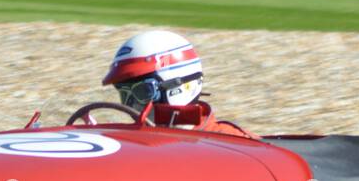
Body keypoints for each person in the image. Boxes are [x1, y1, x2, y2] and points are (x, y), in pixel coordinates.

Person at [101, 30, 249, 136]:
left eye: (143, 92)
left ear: (178, 87)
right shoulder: (131, 140)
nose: (131, 105)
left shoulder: (232, 142)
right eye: (124, 94)